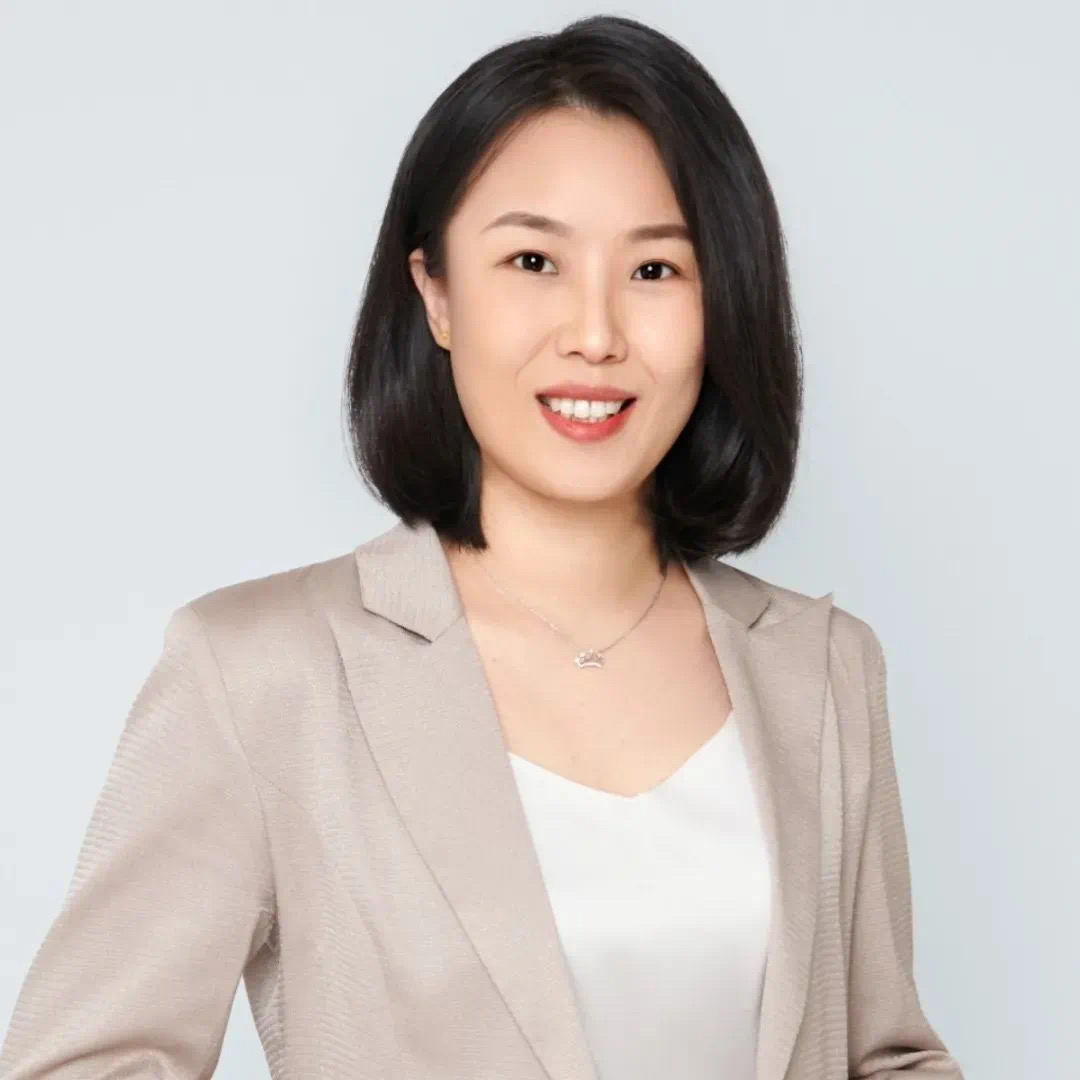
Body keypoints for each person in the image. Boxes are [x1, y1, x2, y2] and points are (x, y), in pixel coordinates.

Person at [0, 13, 966, 1080]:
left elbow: (887, 1057)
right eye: (533, 260)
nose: (594, 333)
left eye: (655, 270)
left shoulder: (822, 670)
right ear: (437, 294)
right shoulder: (261, 673)